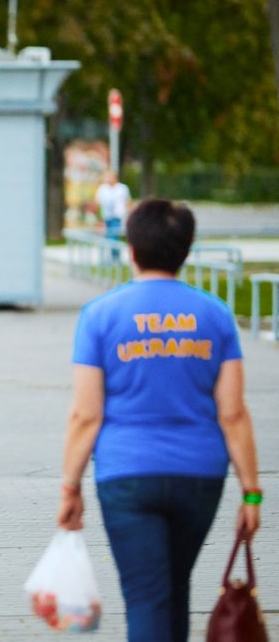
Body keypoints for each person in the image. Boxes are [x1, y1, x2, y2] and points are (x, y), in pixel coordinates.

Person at [55, 198, 261, 642]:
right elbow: (233, 413)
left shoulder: (99, 316)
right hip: (200, 477)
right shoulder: (216, 315)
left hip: (126, 478)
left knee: (147, 598)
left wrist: (69, 487)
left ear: (131, 248)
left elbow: (86, 415)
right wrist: (252, 493)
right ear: (186, 251)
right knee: (174, 589)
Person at [95, 169, 131, 261]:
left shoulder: (122, 188)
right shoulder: (102, 189)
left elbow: (127, 202)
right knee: (109, 237)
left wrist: (128, 215)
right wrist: (98, 218)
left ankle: (115, 256)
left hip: (118, 216)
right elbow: (98, 204)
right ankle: (114, 255)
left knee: (113, 236)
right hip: (107, 216)